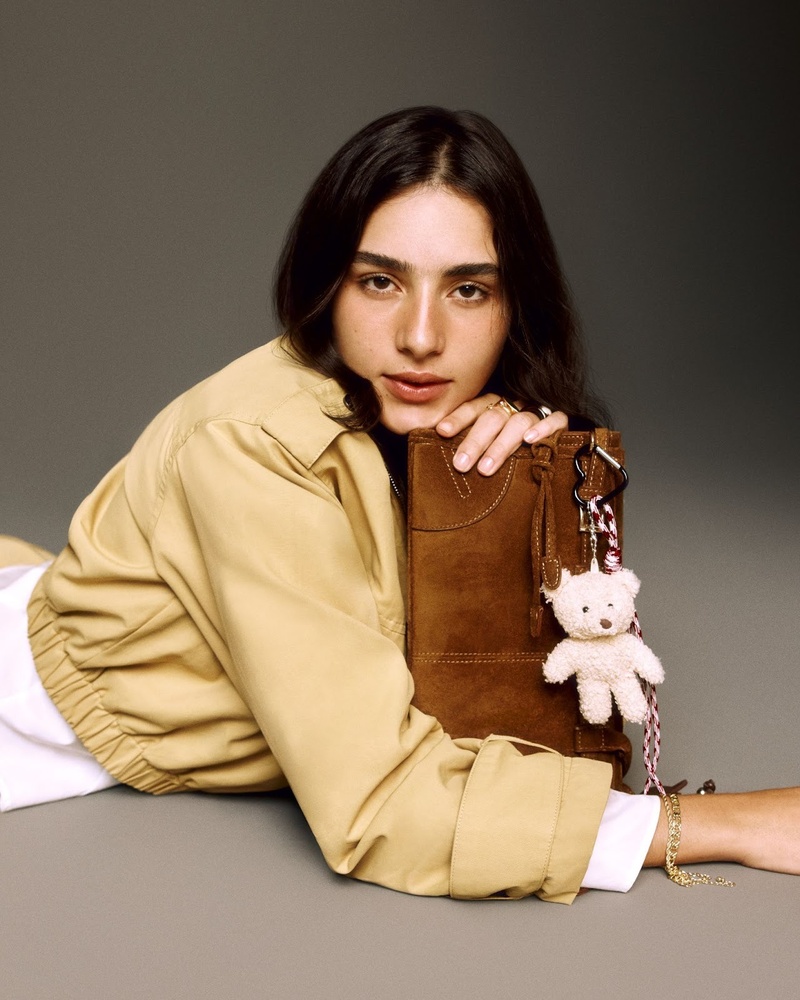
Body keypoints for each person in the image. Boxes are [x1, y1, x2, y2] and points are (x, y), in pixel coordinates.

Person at [1, 107, 798, 903]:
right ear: (327, 283)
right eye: (380, 281)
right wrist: (724, 823)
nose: (421, 336)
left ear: (516, 305)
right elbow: (384, 804)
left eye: (468, 290)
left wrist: (513, 489)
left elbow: (483, 701)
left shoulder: (433, 427)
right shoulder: (252, 446)